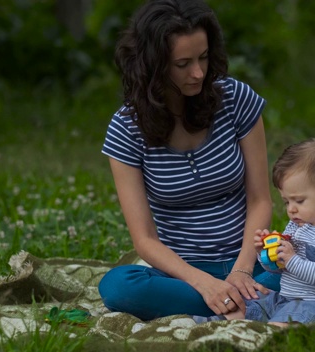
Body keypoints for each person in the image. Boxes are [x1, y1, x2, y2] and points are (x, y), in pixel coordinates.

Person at [97, 0, 280, 321]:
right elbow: (144, 239)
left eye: (204, 57)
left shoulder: (236, 99)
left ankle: (234, 302)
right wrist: (205, 284)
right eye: (183, 63)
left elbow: (260, 199)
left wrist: (242, 270)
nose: (198, 72)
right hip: (183, 273)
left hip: (252, 260)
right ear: (153, 65)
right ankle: (247, 304)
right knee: (118, 287)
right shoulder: (126, 128)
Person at [194, 139, 315, 327]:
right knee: (256, 298)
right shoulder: (297, 225)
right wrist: (265, 254)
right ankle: (217, 325)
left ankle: (271, 336)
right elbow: (280, 268)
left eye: (299, 201)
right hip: (288, 298)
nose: (291, 209)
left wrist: (292, 260)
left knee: (300, 311)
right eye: (286, 202)